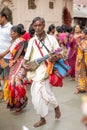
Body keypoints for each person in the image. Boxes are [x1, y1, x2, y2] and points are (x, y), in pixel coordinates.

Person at [23, 17, 61, 127]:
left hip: (47, 71)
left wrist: (55, 58)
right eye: (35, 25)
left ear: (44, 26)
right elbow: (26, 58)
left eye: (39, 25)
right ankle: (45, 116)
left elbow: (59, 53)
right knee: (36, 96)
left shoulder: (51, 39)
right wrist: (24, 66)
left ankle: (49, 112)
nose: (37, 28)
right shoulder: (31, 41)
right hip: (35, 72)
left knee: (46, 93)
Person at [0, 25, 28, 112]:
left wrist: (26, 66)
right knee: (12, 84)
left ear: (16, 33)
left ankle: (20, 103)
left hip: (20, 65)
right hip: (12, 65)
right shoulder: (14, 42)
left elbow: (27, 55)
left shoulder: (24, 42)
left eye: (12, 32)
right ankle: (16, 103)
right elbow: (7, 51)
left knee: (17, 84)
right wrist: (2, 55)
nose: (10, 33)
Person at [0, 7, 12, 100]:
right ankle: (1, 92)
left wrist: (3, 54)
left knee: (7, 77)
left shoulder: (11, 28)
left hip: (6, 58)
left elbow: (13, 44)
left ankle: (8, 94)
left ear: (3, 17)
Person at [75, 29, 87, 94]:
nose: (81, 35)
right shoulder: (82, 41)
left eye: (82, 33)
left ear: (86, 35)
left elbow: (83, 50)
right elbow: (78, 49)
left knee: (82, 74)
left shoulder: (86, 42)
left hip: (83, 61)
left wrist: (78, 43)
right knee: (79, 74)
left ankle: (82, 87)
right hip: (79, 59)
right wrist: (78, 44)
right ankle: (80, 88)